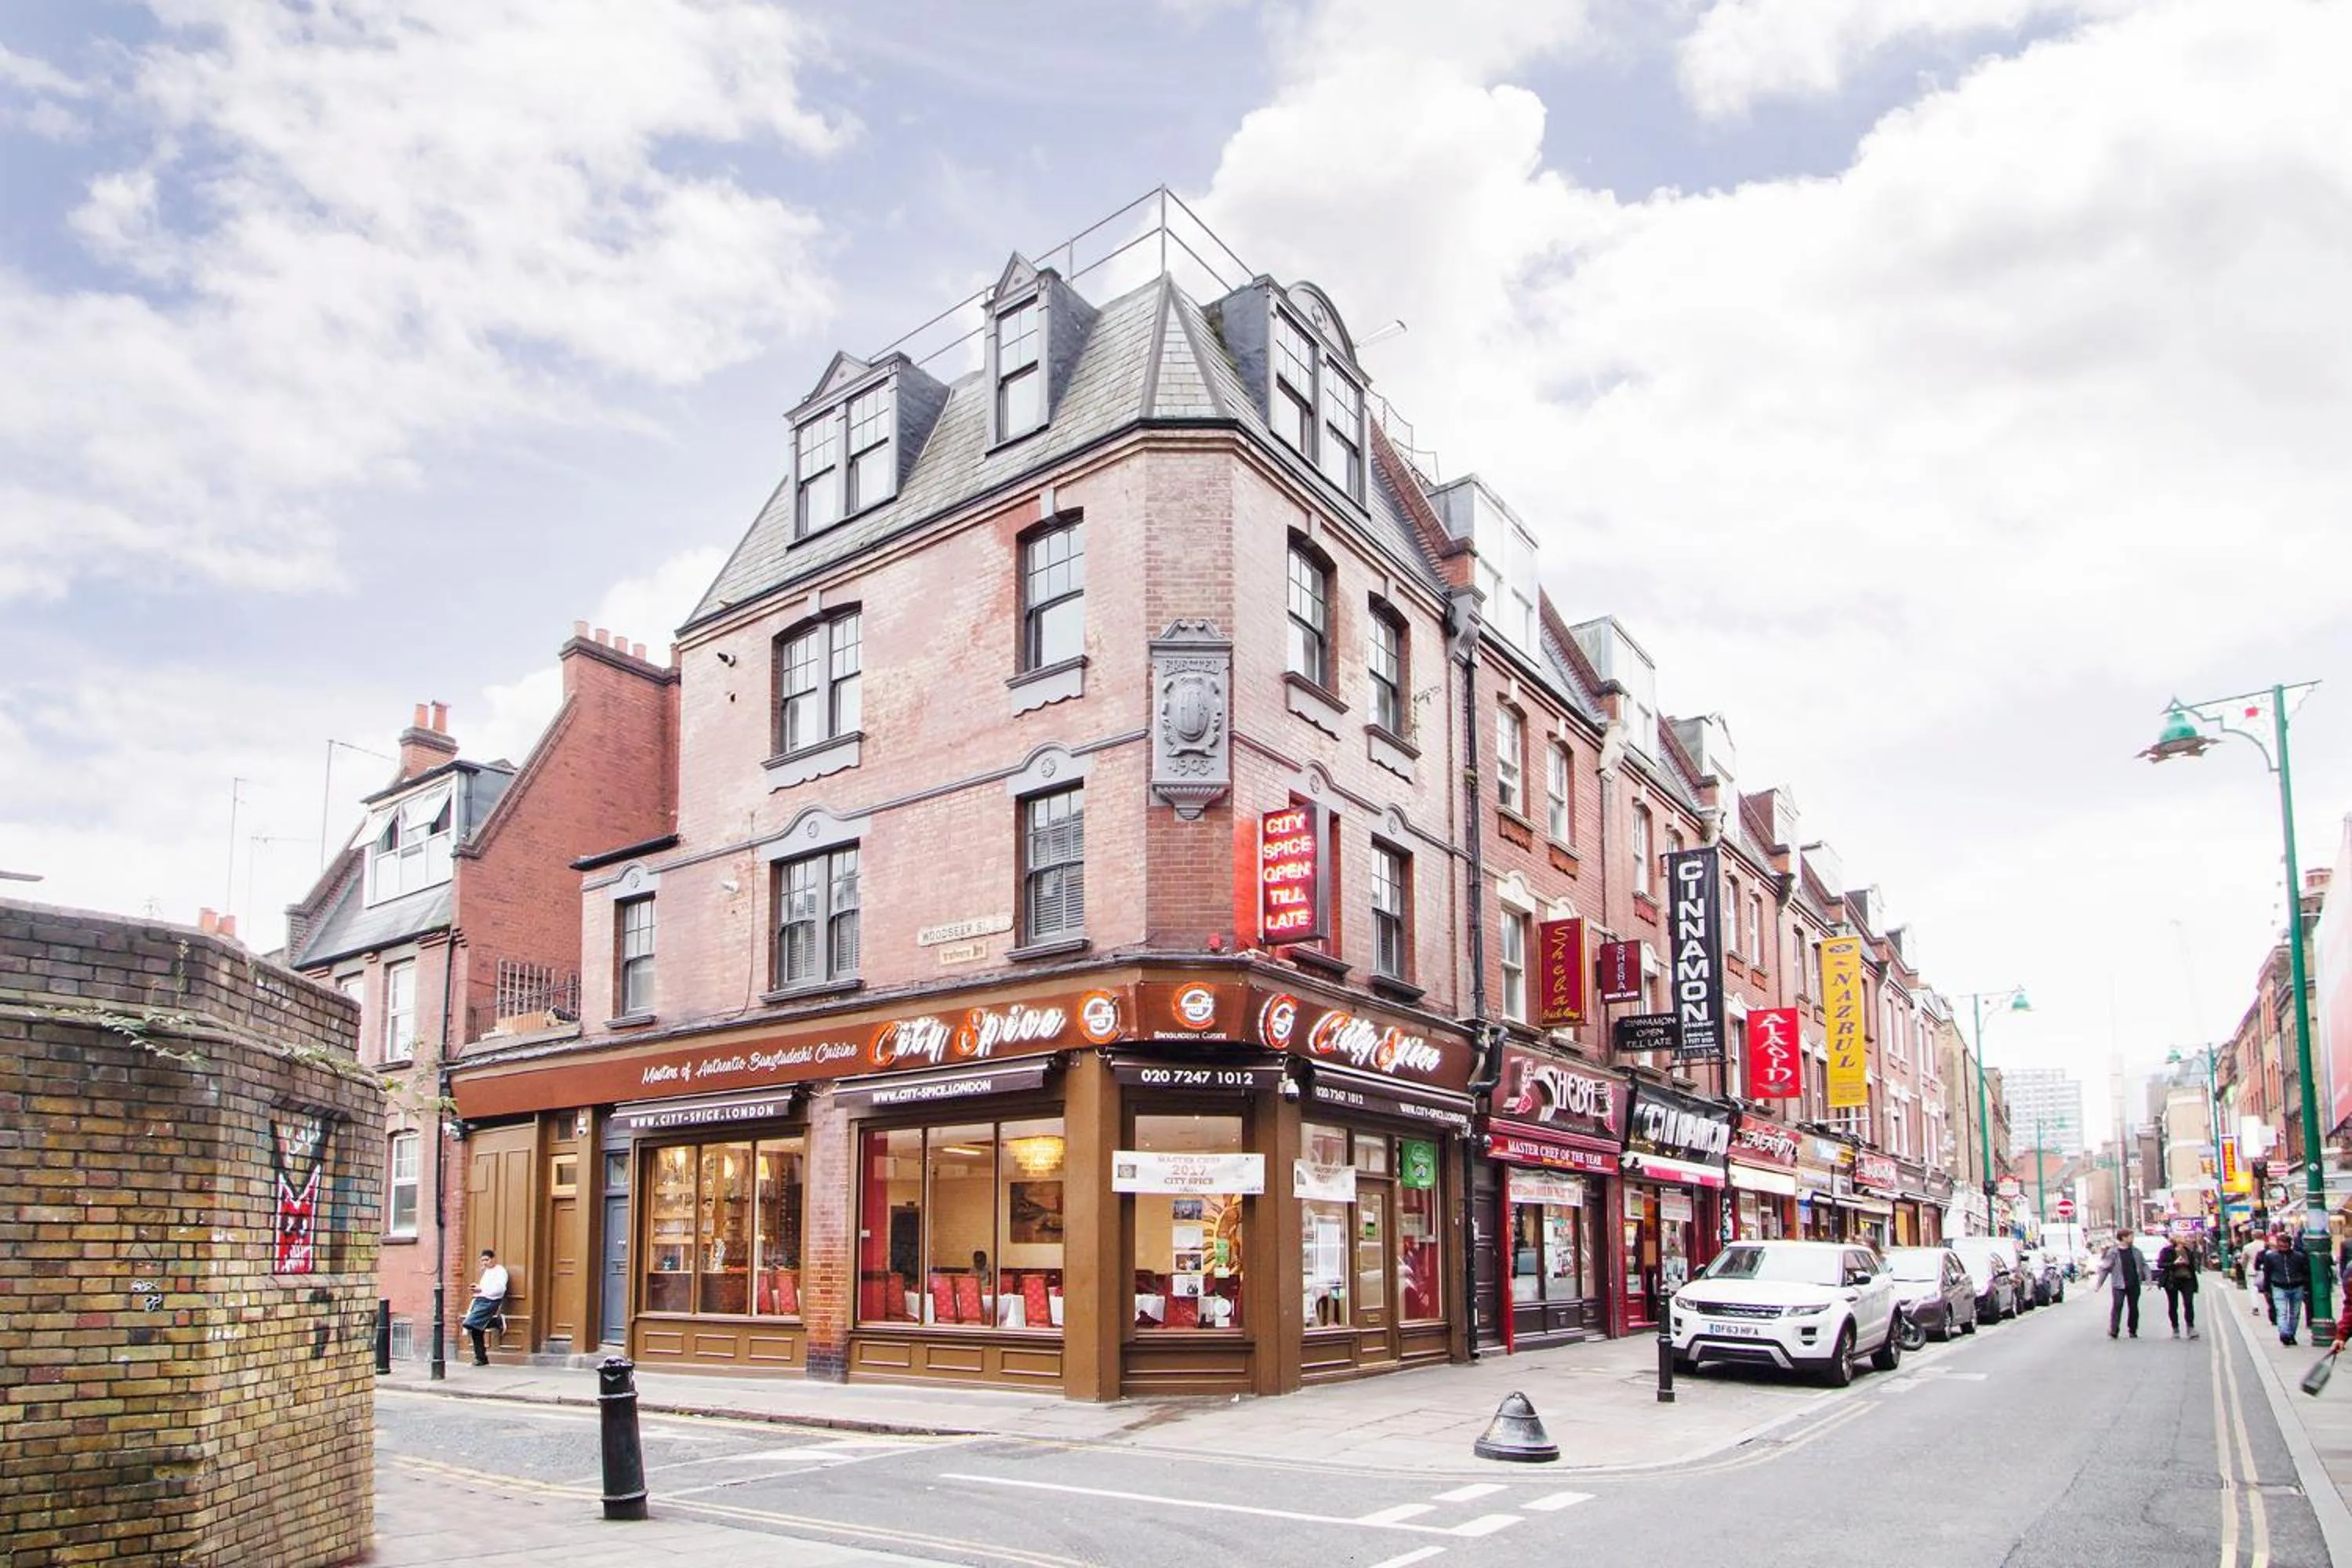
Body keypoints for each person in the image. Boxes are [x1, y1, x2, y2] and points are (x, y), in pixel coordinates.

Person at [462, 1247, 510, 1367]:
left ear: (493, 1259)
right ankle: (481, 1358)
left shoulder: (500, 1271)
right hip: (481, 1300)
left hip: (490, 1301)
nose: (484, 1263)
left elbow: (500, 1290)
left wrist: (481, 1289)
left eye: (487, 1260)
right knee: (476, 1330)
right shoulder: (487, 1272)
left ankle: (497, 1321)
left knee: (470, 1323)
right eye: (482, 1260)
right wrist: (478, 1289)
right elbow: (484, 1288)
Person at [2096, 1228, 2147, 1339]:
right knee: (2117, 1306)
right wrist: (2099, 1284)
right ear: (2123, 1238)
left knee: (2133, 1307)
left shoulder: (2136, 1251)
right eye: (2130, 1236)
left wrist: (2148, 1280)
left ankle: (2133, 1330)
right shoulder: (2113, 1252)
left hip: (2134, 1283)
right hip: (2119, 1284)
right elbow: (2105, 1268)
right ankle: (2114, 1330)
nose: (2132, 1238)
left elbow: (2144, 1265)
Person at [2269, 1228, 2314, 1346]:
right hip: (2279, 1287)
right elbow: (2268, 1273)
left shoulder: (2299, 1256)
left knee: (2295, 1314)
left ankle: (2291, 1335)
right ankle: (2284, 1334)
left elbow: (2306, 1272)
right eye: (2280, 1244)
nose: (2283, 1246)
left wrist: (2306, 1286)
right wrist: (2267, 1289)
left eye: (2285, 1244)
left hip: (2297, 1287)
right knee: (2282, 1312)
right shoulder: (2271, 1257)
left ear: (2290, 1244)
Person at [2156, 1235, 2201, 1339]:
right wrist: (2174, 1263)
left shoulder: (2188, 1251)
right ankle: (2175, 1327)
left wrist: (2188, 1263)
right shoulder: (2166, 1251)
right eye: (2183, 1238)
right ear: (2176, 1240)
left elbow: (2193, 1266)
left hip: (2187, 1279)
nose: (2185, 1240)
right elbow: (2160, 1264)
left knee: (2189, 1303)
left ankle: (2190, 1327)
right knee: (2173, 1304)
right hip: (2172, 1280)